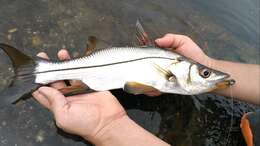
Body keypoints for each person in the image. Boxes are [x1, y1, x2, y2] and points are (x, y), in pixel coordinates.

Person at [32, 34, 260, 146]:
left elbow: (135, 86)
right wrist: (209, 66)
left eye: (204, 73)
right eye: (204, 74)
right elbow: (135, 86)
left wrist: (107, 129)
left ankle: (43, 71)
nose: (207, 76)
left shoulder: (176, 71)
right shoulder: (174, 71)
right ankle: (43, 71)